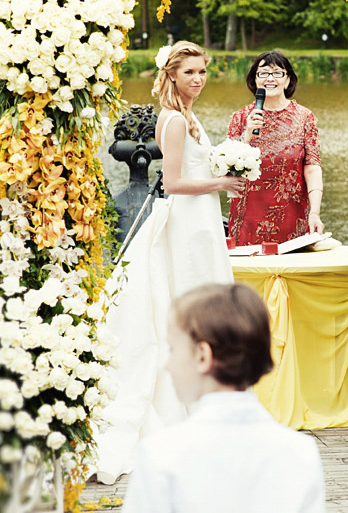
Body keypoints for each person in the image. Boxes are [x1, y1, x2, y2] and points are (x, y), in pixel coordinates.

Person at [94, 41, 245, 484]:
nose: (198, 79)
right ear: (172, 76)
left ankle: (203, 403)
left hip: (200, 225)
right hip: (186, 225)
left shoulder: (189, 116)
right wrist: (222, 181)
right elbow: (175, 182)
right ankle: (183, 406)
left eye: (202, 72)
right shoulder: (175, 119)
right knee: (184, 305)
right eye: (190, 72)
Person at [122, 283, 326, 513]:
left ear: (202, 355)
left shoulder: (160, 453)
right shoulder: (301, 452)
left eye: (172, 348)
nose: (167, 365)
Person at [227, 51, 323, 245]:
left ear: (287, 81)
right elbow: (228, 171)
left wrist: (315, 212)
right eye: (263, 73)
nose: (270, 79)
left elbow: (312, 167)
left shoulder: (305, 117)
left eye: (277, 73)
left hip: (292, 216)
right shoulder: (241, 118)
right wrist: (247, 134)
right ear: (255, 80)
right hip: (248, 218)